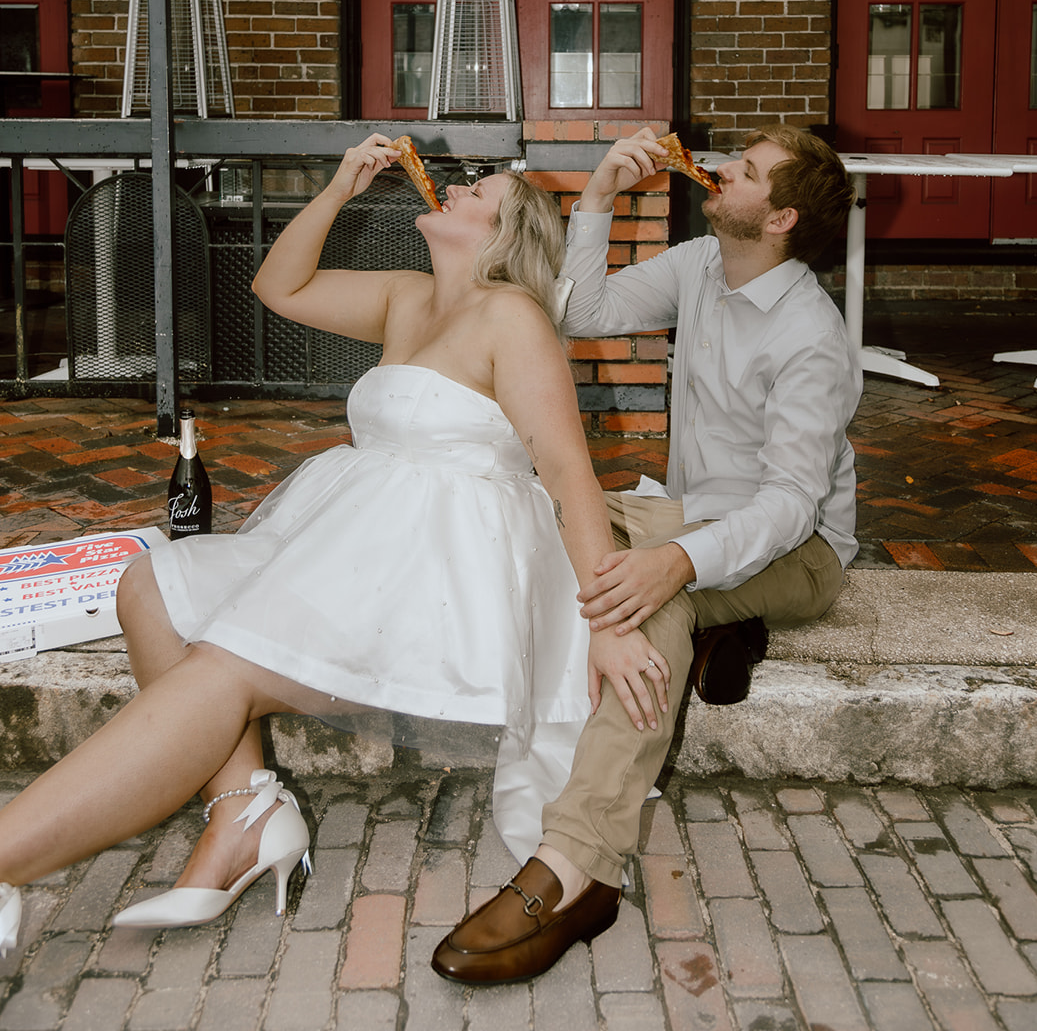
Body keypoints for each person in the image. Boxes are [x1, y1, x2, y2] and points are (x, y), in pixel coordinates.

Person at [0, 138, 669, 954]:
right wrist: (339, 188)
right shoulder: (406, 295)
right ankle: (245, 809)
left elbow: (568, 472)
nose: (455, 188)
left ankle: (8, 860)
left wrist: (606, 622)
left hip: (435, 575)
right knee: (153, 583)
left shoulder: (512, 316)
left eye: (477, 190)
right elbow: (277, 286)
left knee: (224, 666)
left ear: (504, 233)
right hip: (350, 541)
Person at [433, 123, 862, 986]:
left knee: (649, 600)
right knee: (550, 506)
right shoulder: (705, 263)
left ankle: (573, 866)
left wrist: (682, 564)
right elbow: (582, 311)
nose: (721, 170)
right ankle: (719, 629)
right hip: (683, 515)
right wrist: (597, 198)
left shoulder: (812, 339)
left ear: (778, 220)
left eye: (743, 172)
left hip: (800, 548)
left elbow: (788, 505)